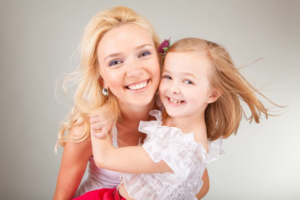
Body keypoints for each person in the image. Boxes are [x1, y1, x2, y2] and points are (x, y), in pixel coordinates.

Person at [73, 37, 278, 200]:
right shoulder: (172, 112)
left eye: (188, 81)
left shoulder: (181, 150)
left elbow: (105, 158)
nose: (174, 89)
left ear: (213, 94)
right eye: (168, 76)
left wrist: (100, 117)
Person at [53, 7, 210, 200]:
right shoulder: (88, 130)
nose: (134, 71)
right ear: (102, 78)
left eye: (144, 54)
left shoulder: (176, 114)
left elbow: (200, 185)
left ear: (160, 58)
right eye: (115, 62)